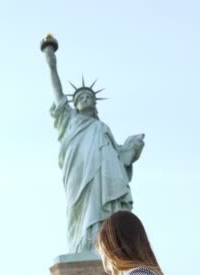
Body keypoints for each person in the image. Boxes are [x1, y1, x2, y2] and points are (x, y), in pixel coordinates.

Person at [42, 38, 145, 255]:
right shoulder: (69, 120)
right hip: (79, 175)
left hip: (104, 176)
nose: (86, 99)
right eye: (81, 97)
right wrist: (51, 62)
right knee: (79, 212)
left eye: (89, 97)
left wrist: (131, 150)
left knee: (102, 209)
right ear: (75, 104)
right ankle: (82, 247)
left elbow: (118, 157)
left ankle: (106, 247)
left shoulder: (102, 127)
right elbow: (58, 93)